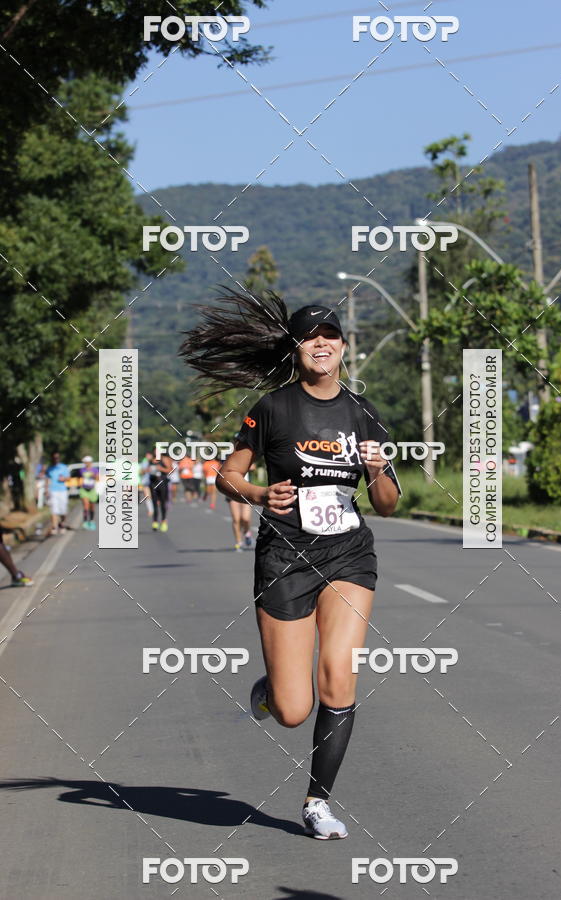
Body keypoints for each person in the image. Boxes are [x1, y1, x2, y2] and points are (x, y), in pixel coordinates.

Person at [181, 290, 400, 840]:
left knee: (339, 678)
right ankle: (272, 691)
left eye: (330, 335)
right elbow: (225, 477)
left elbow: (390, 503)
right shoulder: (272, 408)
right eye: (309, 336)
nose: (320, 343)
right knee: (294, 709)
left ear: (344, 347)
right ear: (297, 349)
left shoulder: (363, 412)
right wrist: (259, 492)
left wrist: (377, 470)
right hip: (284, 556)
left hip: (349, 552)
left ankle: (317, 803)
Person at [45, 451, 70, 535]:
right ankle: (54, 526)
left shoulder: (63, 467)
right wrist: (46, 490)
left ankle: (62, 523)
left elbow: (68, 478)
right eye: (54, 457)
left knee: (63, 510)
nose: (56, 459)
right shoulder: (49, 469)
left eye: (57, 457)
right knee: (54, 509)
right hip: (53, 490)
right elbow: (47, 480)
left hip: (62, 490)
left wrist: (64, 479)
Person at [149, 451, 171, 532]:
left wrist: (160, 468)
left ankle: (164, 521)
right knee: (154, 503)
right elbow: (144, 470)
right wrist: (149, 469)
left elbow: (169, 470)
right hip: (153, 483)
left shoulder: (165, 459)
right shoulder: (151, 460)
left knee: (162, 503)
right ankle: (155, 522)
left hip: (162, 483)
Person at [78, 456, 99, 530]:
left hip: (92, 490)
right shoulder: (82, 470)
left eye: (86, 462)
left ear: (90, 462)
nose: (85, 463)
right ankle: (85, 521)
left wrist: (94, 475)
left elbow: (97, 478)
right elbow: (81, 478)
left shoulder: (95, 470)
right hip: (84, 489)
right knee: (86, 505)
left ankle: (92, 521)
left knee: (92, 507)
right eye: (85, 462)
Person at [139, 451, 154, 517]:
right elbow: (141, 472)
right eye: (148, 455)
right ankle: (151, 510)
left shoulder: (152, 462)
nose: (149, 457)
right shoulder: (145, 462)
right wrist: (146, 470)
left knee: (151, 496)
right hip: (144, 482)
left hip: (150, 482)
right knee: (148, 496)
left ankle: (152, 510)